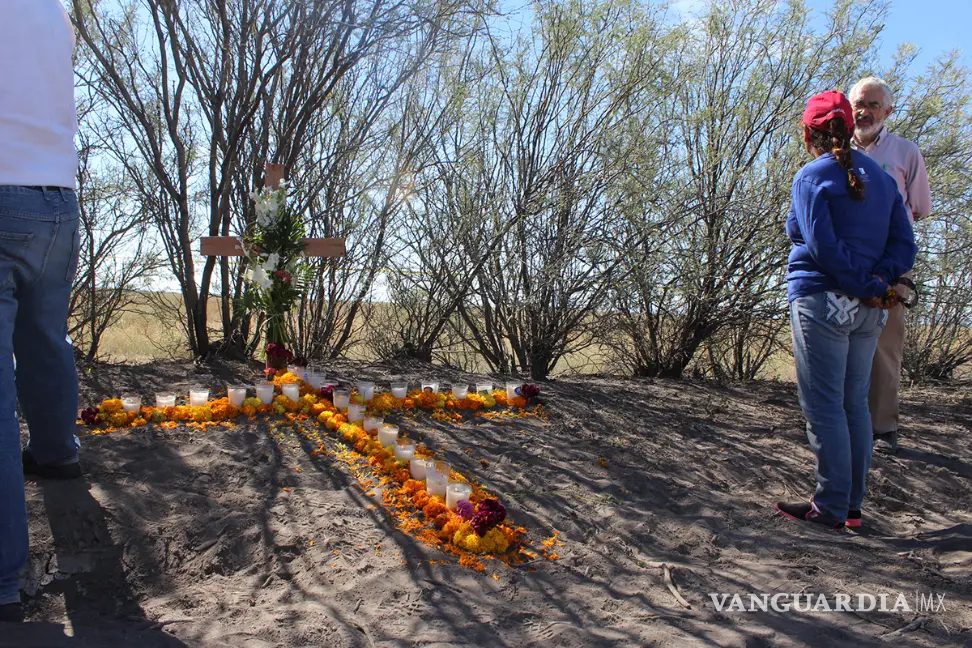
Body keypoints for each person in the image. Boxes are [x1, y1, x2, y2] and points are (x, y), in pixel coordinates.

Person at [775, 90, 917, 530]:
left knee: (824, 407)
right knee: (855, 403)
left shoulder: (811, 177)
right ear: (847, 127)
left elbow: (822, 248)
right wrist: (876, 283)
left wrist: (857, 281)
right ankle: (851, 507)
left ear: (808, 132)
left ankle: (831, 506)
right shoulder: (883, 179)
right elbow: (904, 245)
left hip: (822, 302)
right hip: (870, 307)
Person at [1, 0, 83, 624]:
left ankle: (3, 575)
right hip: (58, 196)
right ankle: (56, 451)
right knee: (44, 335)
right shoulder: (54, 12)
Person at [849, 76, 932, 454]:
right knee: (839, 341)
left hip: (891, 261)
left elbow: (919, 208)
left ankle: (882, 429)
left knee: (884, 345)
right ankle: (840, 426)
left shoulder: (906, 152)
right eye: (859, 104)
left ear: (888, 111)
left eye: (873, 105)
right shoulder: (833, 151)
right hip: (844, 261)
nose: (864, 112)